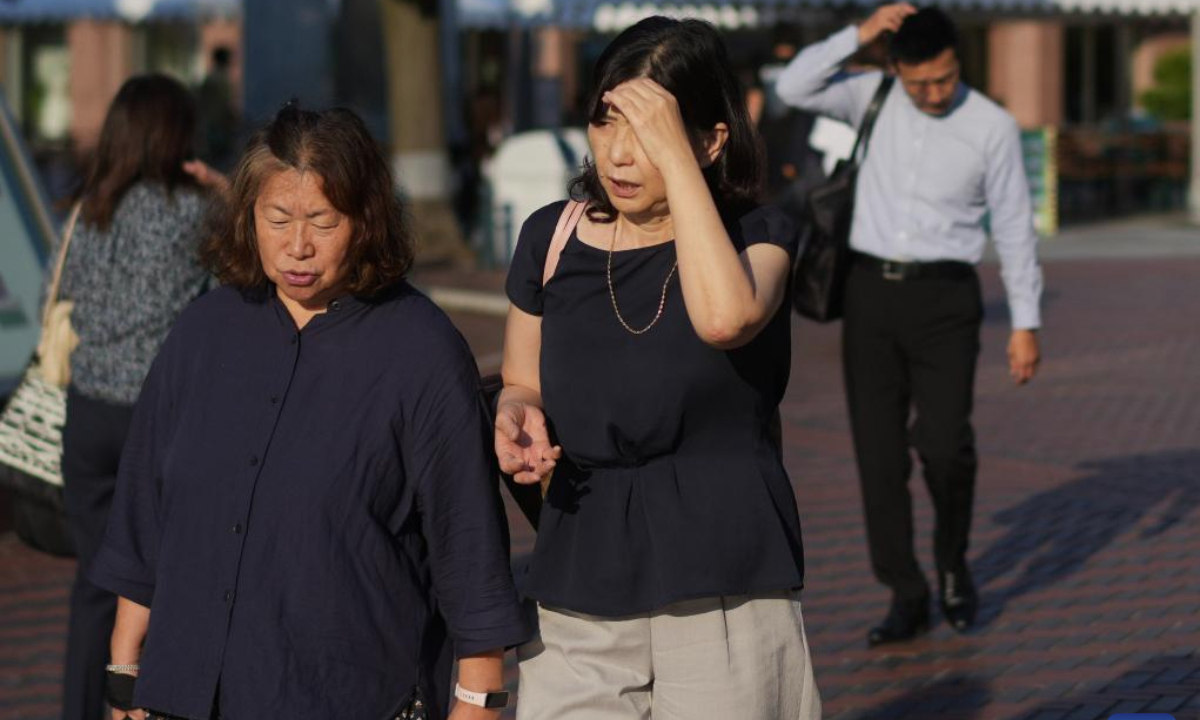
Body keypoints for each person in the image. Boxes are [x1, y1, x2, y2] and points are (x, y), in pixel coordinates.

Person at [89, 104, 530, 720]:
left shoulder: (419, 350)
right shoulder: (204, 331)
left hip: (347, 695)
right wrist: (125, 674)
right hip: (182, 695)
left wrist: (477, 702)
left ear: (368, 220)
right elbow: (147, 519)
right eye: (278, 218)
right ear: (248, 215)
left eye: (323, 221)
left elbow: (468, 549)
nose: (297, 246)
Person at [496, 17, 821, 720]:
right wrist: (513, 412)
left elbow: (724, 319)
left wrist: (679, 167)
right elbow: (522, 380)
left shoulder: (758, 239)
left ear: (710, 140)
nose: (619, 154)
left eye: (651, 130)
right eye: (606, 121)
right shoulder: (550, 238)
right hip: (580, 572)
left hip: (722, 580)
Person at [776, 4, 1043, 646]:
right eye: (920, 82)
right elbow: (792, 86)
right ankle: (906, 590)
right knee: (879, 455)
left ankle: (952, 559)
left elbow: (1013, 225)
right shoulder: (872, 93)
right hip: (869, 294)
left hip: (947, 301)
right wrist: (861, 35)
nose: (933, 93)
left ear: (960, 64)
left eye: (945, 79)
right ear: (896, 68)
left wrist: (1025, 320)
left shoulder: (992, 126)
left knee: (946, 445)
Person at [56, 74, 212, 720]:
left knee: (96, 581)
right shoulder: (193, 211)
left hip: (88, 414)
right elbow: (249, 264)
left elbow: (56, 299)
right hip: (160, 418)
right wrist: (225, 186)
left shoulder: (85, 211)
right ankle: (148, 703)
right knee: (161, 581)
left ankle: (78, 711)